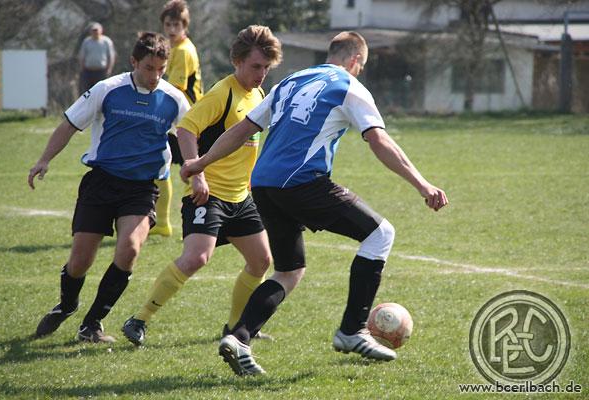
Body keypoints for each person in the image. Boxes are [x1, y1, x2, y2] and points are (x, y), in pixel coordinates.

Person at [181, 31, 449, 375]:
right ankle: (352, 330)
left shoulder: (289, 82)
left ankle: (239, 337)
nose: (359, 71)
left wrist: (201, 162)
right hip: (302, 182)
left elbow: (241, 130)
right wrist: (423, 184)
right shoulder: (349, 86)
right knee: (381, 234)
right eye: (361, 66)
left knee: (288, 270)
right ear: (355, 60)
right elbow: (379, 140)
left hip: (263, 185)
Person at [121, 25, 283, 346]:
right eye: (255, 66)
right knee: (196, 258)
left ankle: (235, 328)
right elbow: (186, 129)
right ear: (237, 61)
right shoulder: (223, 93)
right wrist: (198, 174)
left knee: (261, 261)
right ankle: (139, 319)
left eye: (266, 67)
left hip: (241, 197)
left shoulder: (259, 95)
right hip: (208, 195)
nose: (261, 73)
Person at [29, 32, 189, 343]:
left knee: (129, 249)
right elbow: (70, 124)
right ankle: (67, 305)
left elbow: (190, 132)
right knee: (80, 261)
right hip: (101, 182)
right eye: (148, 68)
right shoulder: (108, 89)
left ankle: (92, 323)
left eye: (161, 69)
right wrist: (44, 160)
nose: (155, 76)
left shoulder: (174, 99)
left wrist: (196, 168)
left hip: (141, 188)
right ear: (133, 62)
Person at [151, 0, 204, 237]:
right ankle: (163, 223)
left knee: (190, 171)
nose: (171, 29)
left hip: (186, 121)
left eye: (176, 25)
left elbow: (175, 90)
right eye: (168, 24)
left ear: (185, 26)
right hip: (180, 120)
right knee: (161, 163)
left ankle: (198, 222)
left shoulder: (183, 51)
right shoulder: (174, 48)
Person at [78, 22, 116, 95]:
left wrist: (109, 69)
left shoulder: (106, 41)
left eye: (96, 30)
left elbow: (111, 56)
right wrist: (82, 69)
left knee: (101, 92)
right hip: (88, 72)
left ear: (101, 30)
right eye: (93, 30)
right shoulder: (86, 42)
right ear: (90, 31)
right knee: (88, 93)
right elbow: (82, 56)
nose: (95, 32)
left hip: (101, 72)